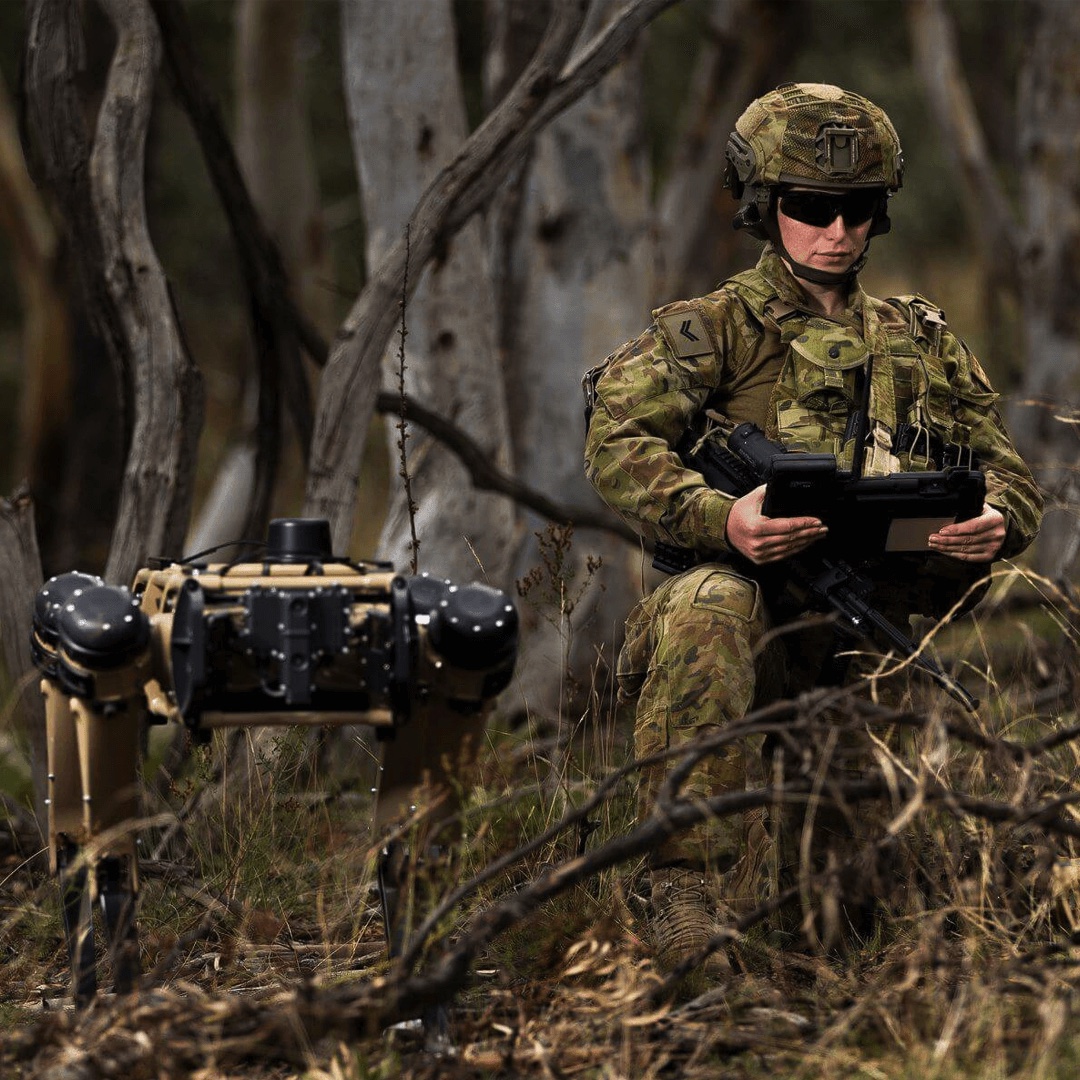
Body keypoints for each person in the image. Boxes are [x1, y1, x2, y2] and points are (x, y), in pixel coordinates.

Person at [582, 83, 1042, 973]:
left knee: (851, 916)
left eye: (859, 208)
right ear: (763, 206)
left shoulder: (924, 342)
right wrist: (720, 518)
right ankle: (681, 890)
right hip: (734, 617)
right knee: (710, 600)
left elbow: (1008, 466)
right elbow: (616, 442)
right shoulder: (709, 332)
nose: (836, 231)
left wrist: (996, 520)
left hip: (861, 621)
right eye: (810, 207)